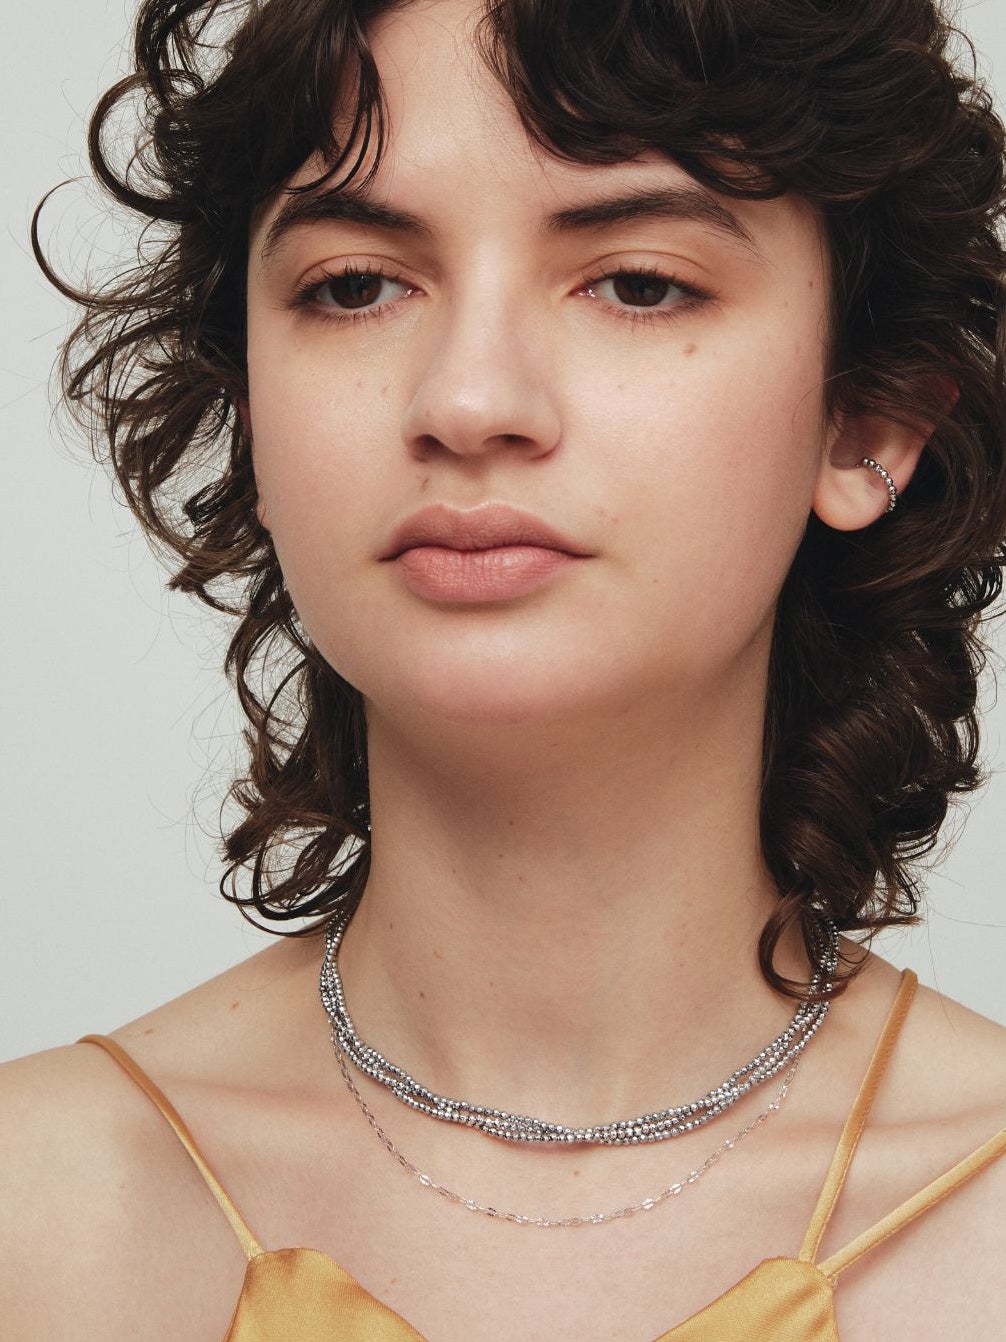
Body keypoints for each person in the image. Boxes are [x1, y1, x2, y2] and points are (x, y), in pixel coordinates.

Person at [3, 0, 1006, 1336]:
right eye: (354, 286)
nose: (468, 402)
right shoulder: (32, 1210)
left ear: (868, 418)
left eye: (636, 283)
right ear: (251, 411)